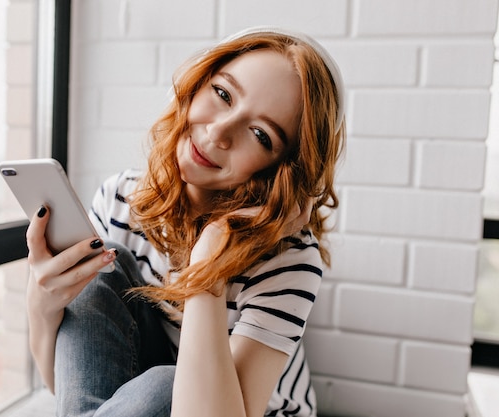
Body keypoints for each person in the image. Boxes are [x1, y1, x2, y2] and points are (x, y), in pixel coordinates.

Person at [25, 26, 345, 417]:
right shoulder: (121, 199)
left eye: (261, 135)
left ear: (282, 170)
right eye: (223, 94)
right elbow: (75, 393)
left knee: (166, 387)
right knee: (103, 267)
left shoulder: (289, 260)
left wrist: (211, 256)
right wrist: (41, 304)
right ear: (198, 82)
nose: (218, 132)